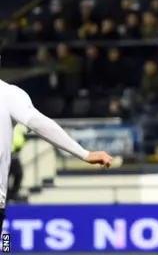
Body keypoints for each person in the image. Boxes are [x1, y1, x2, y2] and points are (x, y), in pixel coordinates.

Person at [0, 79, 112, 227]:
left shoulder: (7, 94)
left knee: (5, 243)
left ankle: (5, 246)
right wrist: (84, 154)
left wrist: (84, 154)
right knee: (5, 244)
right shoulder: (8, 93)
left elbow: (39, 124)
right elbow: (39, 123)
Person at [8, 124, 26, 202]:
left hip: (11, 154)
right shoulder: (13, 127)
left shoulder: (15, 127)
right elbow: (18, 142)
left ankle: (10, 194)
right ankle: (11, 194)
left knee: (16, 175)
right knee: (18, 174)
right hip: (10, 154)